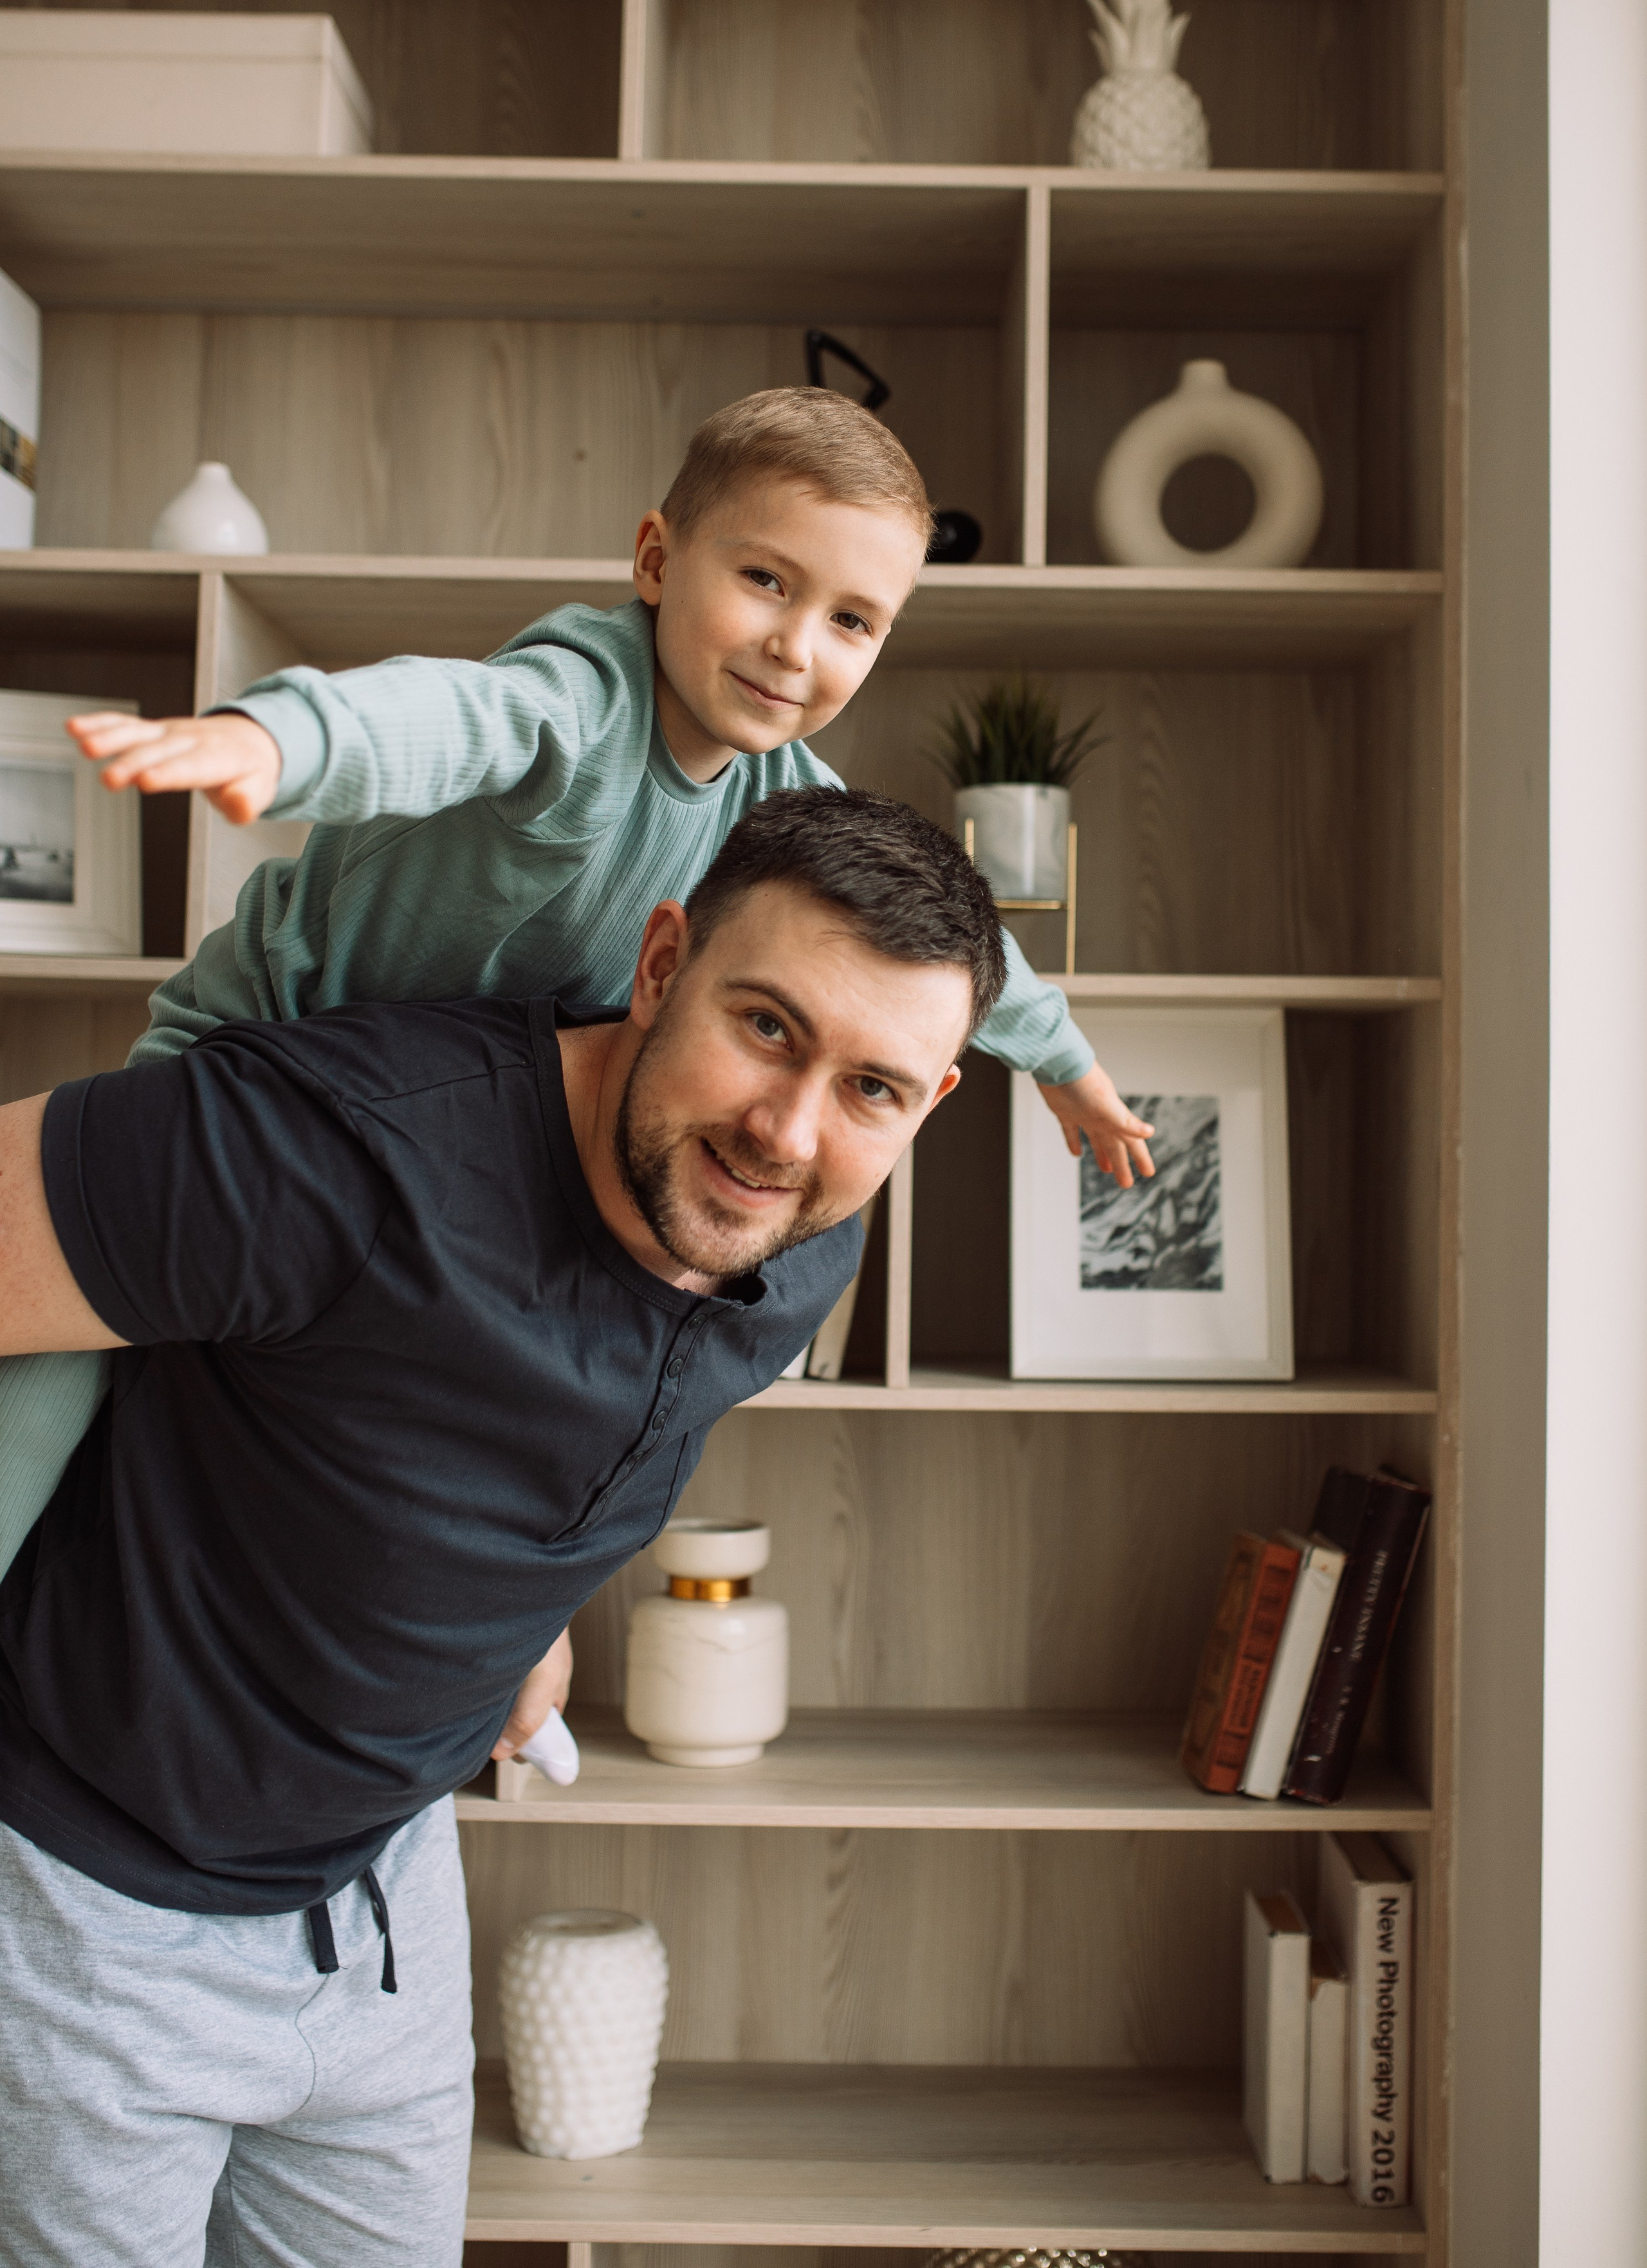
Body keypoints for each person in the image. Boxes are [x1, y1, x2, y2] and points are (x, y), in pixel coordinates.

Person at [0, 786, 1001, 2268]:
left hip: (384, 1908)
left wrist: (522, 1618)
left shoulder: (797, 1225)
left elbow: (577, 1415)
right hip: (88, 1915)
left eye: (873, 1085)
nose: (785, 1127)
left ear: (929, 1102)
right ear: (660, 962)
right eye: (767, 1025)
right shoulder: (330, 1150)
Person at [0, 385, 1151, 1581]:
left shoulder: (787, 802)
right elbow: (441, 716)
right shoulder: (579, 702)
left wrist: (1066, 1064)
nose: (795, 646)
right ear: (657, 558)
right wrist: (277, 739)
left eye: (854, 621)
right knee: (46, 1398)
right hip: (262, 1062)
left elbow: (954, 953)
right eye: (766, 580)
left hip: (434, 1153)